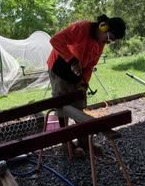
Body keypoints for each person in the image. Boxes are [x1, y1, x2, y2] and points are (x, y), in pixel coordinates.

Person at [47, 14, 126, 157]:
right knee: (62, 105)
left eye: (112, 41)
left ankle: (84, 142)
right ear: (103, 27)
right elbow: (55, 40)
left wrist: (84, 84)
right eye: (110, 38)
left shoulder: (100, 44)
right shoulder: (81, 27)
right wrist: (72, 61)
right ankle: (66, 144)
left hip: (77, 74)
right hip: (59, 68)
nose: (109, 42)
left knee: (79, 105)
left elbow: (90, 66)